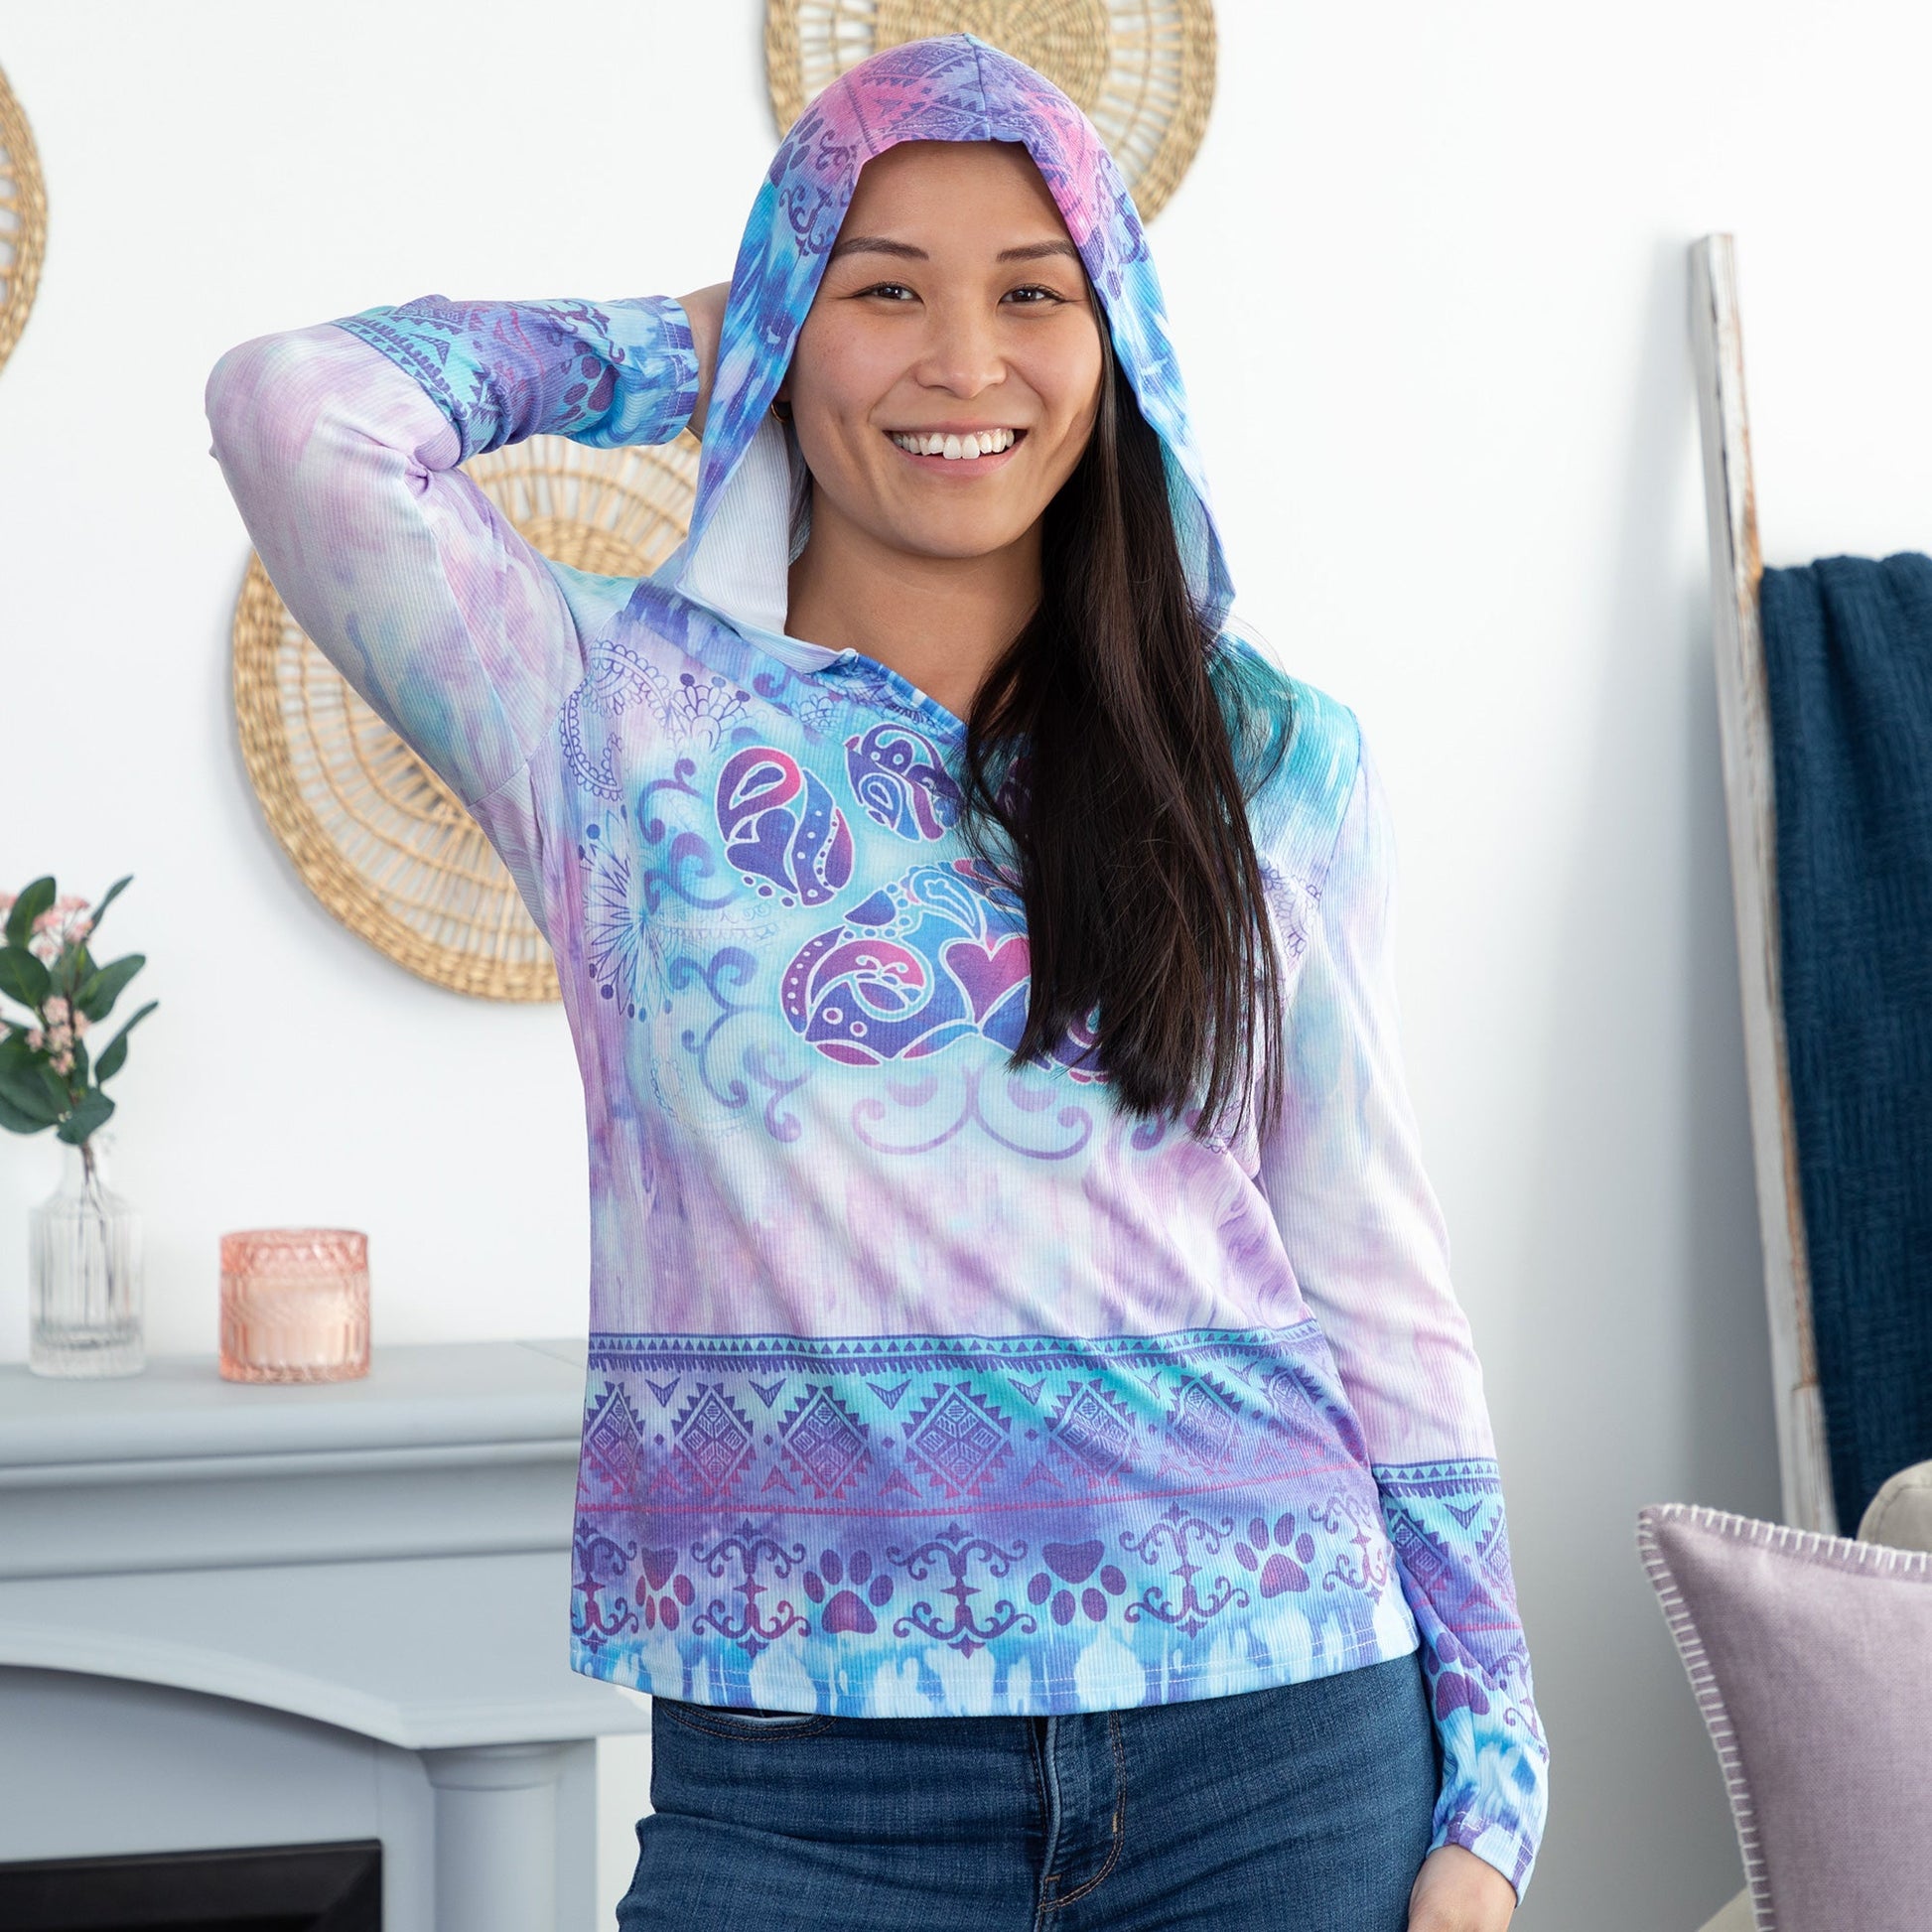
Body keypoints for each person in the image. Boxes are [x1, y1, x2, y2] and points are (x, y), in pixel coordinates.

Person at [206, 34, 1547, 1932]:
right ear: (786, 329)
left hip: (1282, 1743)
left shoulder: (1269, 755)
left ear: (1121, 347)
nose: (964, 361)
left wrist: (1492, 1787)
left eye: (1034, 295)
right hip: (803, 1794)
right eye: (883, 290)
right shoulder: (603, 714)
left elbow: (1376, 1274)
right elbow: (292, 409)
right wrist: (697, 340)